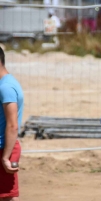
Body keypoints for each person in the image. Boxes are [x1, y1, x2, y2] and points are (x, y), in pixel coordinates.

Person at [0, 46, 24, 201]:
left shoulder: (5, 87)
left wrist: (5, 157)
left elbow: (12, 125)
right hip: (5, 147)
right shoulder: (7, 83)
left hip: (3, 148)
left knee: (6, 197)